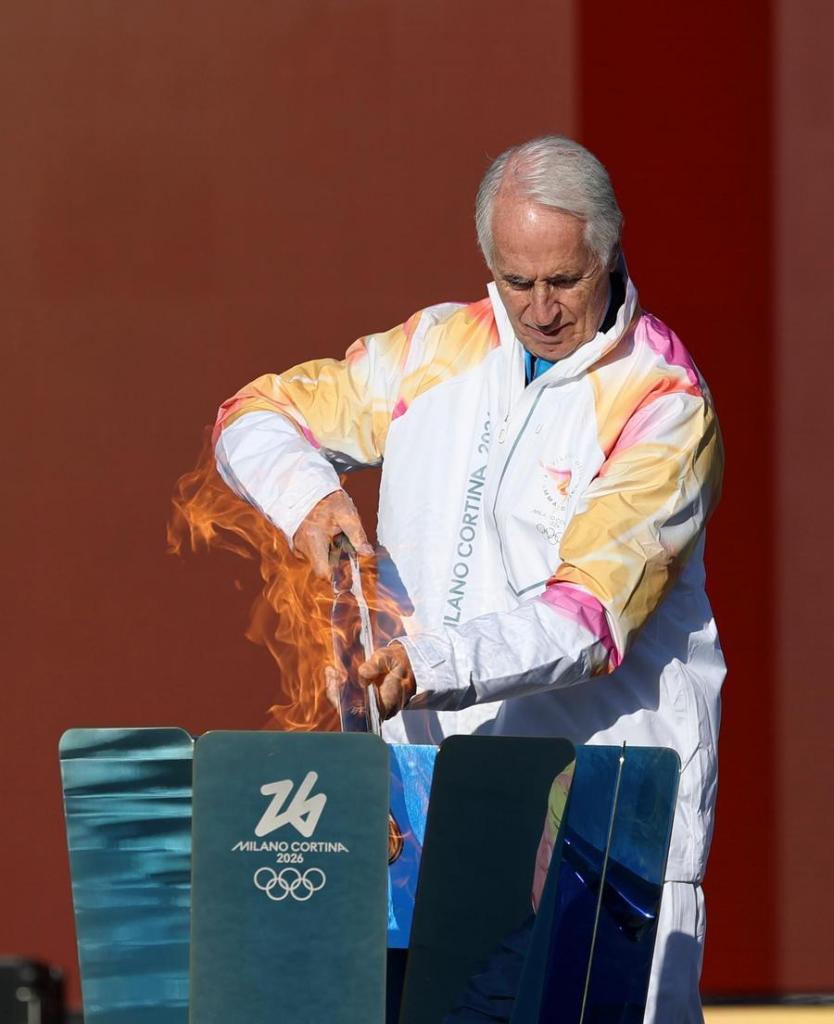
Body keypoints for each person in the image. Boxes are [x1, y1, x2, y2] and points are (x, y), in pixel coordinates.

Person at [213, 135, 724, 1021]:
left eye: (564, 280)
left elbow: (588, 620)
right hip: (431, 810)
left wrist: (422, 664)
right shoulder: (437, 348)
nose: (540, 310)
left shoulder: (663, 404)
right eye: (516, 281)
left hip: (593, 814)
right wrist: (311, 499)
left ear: (609, 253)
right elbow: (253, 414)